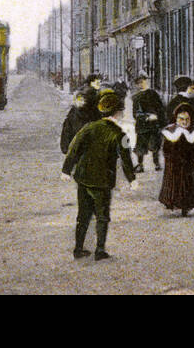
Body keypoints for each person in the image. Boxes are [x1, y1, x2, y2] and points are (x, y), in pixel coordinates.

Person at [61, 90, 138, 260]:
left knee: (83, 216)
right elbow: (126, 159)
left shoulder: (88, 127)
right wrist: (132, 179)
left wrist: (66, 170)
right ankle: (99, 250)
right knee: (102, 216)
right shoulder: (120, 134)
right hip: (102, 181)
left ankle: (78, 249)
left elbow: (74, 148)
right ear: (117, 113)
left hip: (83, 178)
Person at [159, 103, 194, 216]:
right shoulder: (170, 131)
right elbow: (165, 148)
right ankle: (172, 202)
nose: (184, 122)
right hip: (174, 162)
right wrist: (168, 158)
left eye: (187, 119)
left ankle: (186, 206)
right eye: (181, 119)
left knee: (187, 184)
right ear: (176, 119)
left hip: (188, 162)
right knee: (173, 184)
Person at [130, 76, 165, 172]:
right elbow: (135, 113)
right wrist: (146, 117)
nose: (141, 84)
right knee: (140, 146)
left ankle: (157, 163)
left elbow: (161, 108)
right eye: (139, 83)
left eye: (143, 82)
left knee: (155, 145)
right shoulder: (136, 97)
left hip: (154, 125)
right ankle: (140, 165)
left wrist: (158, 118)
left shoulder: (154, 94)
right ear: (137, 85)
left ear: (147, 82)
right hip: (142, 125)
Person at [59, 91, 94, 155]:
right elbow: (66, 131)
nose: (82, 102)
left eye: (84, 100)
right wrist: (66, 148)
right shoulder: (72, 115)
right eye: (80, 100)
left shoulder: (93, 114)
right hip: (77, 152)